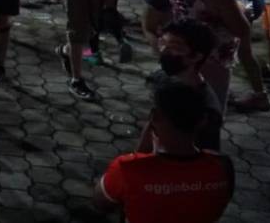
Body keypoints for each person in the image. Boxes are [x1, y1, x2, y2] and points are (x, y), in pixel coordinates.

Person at [94, 80, 235, 223]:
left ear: (154, 117)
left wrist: (140, 151)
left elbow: (101, 203)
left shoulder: (127, 168)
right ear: (202, 121)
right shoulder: (222, 167)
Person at [166, 0, 270, 114]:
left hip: (184, 55)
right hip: (212, 59)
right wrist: (243, 12)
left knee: (184, 109)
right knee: (209, 110)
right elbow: (242, 29)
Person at [136, 19, 225, 152]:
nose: (164, 51)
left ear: (196, 57)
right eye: (163, 43)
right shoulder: (162, 78)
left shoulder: (207, 111)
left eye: (175, 47)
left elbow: (203, 157)